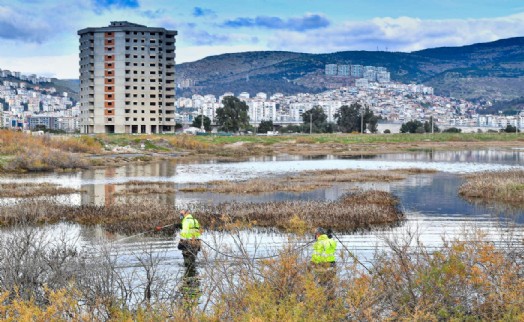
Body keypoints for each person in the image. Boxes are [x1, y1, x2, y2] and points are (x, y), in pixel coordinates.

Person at [311, 227, 337, 300]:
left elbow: (316, 258)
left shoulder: (317, 244)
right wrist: (328, 237)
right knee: (330, 283)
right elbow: (331, 244)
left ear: (318, 235)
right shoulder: (331, 241)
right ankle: (331, 299)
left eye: (315, 235)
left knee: (321, 284)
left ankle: (323, 300)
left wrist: (311, 264)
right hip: (332, 265)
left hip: (322, 266)